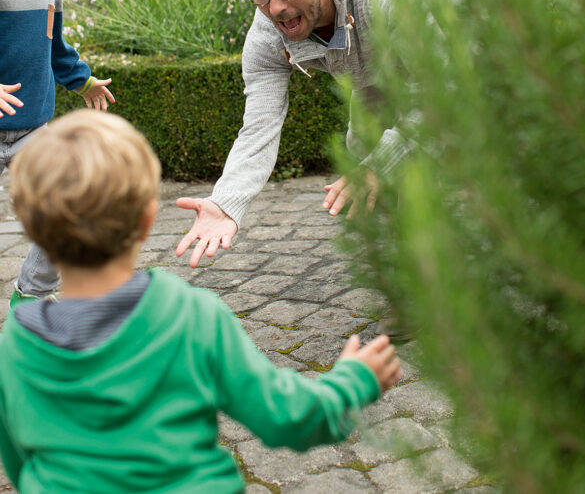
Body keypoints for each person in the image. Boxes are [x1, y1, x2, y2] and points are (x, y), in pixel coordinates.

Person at [0, 111, 402, 493]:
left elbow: (21, 462)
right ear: (146, 219)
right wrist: (354, 380)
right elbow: (288, 418)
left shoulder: (16, 345)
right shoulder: (190, 315)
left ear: (32, 226)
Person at [177, 0, 406, 266]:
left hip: (486, 58)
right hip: (382, 73)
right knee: (363, 150)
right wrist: (226, 201)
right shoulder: (268, 29)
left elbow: (447, 98)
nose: (276, 7)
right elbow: (259, 126)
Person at [0, 0, 114, 307]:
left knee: (66, 211)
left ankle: (31, 296)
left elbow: (54, 44)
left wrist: (81, 79)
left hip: (32, 130)